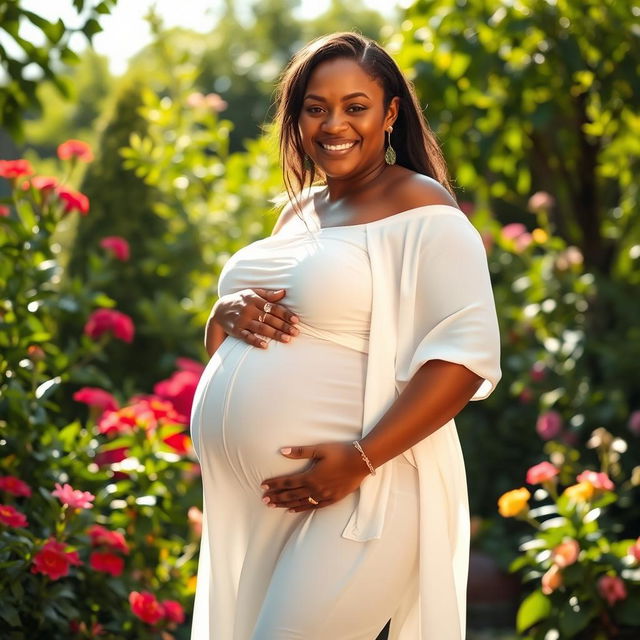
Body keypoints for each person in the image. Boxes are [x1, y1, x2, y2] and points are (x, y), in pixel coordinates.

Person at [189, 32, 501, 640]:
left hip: (363, 497)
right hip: (263, 507)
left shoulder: (421, 205)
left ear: (389, 115)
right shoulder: (297, 212)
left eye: (355, 106)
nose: (334, 123)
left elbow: (464, 358)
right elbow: (241, 351)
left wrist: (359, 460)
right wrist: (222, 316)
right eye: (316, 107)